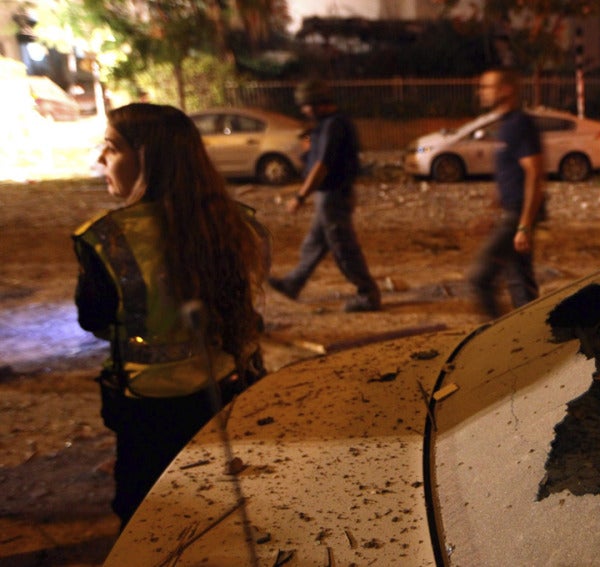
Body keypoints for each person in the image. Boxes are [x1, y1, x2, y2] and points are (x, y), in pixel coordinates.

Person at [73, 103, 270, 529]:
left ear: (146, 156)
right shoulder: (235, 223)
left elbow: (94, 319)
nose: (101, 159)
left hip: (148, 412)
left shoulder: (109, 239)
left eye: (112, 148)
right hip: (231, 396)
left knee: (150, 523)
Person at [268, 79, 381, 312]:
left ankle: (368, 295)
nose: (304, 110)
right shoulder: (324, 125)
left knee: (343, 247)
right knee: (314, 243)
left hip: (334, 196)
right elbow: (313, 157)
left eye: (306, 105)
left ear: (319, 103)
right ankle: (292, 283)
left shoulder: (334, 125)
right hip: (328, 197)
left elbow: (322, 166)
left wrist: (300, 197)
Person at [468, 68, 546, 318]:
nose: (481, 93)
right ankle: (535, 341)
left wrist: (523, 225)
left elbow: (534, 172)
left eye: (486, 87)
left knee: (479, 278)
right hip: (511, 213)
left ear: (506, 90)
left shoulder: (519, 124)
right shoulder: (505, 126)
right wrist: (492, 214)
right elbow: (511, 176)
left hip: (518, 215)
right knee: (520, 284)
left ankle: (495, 339)